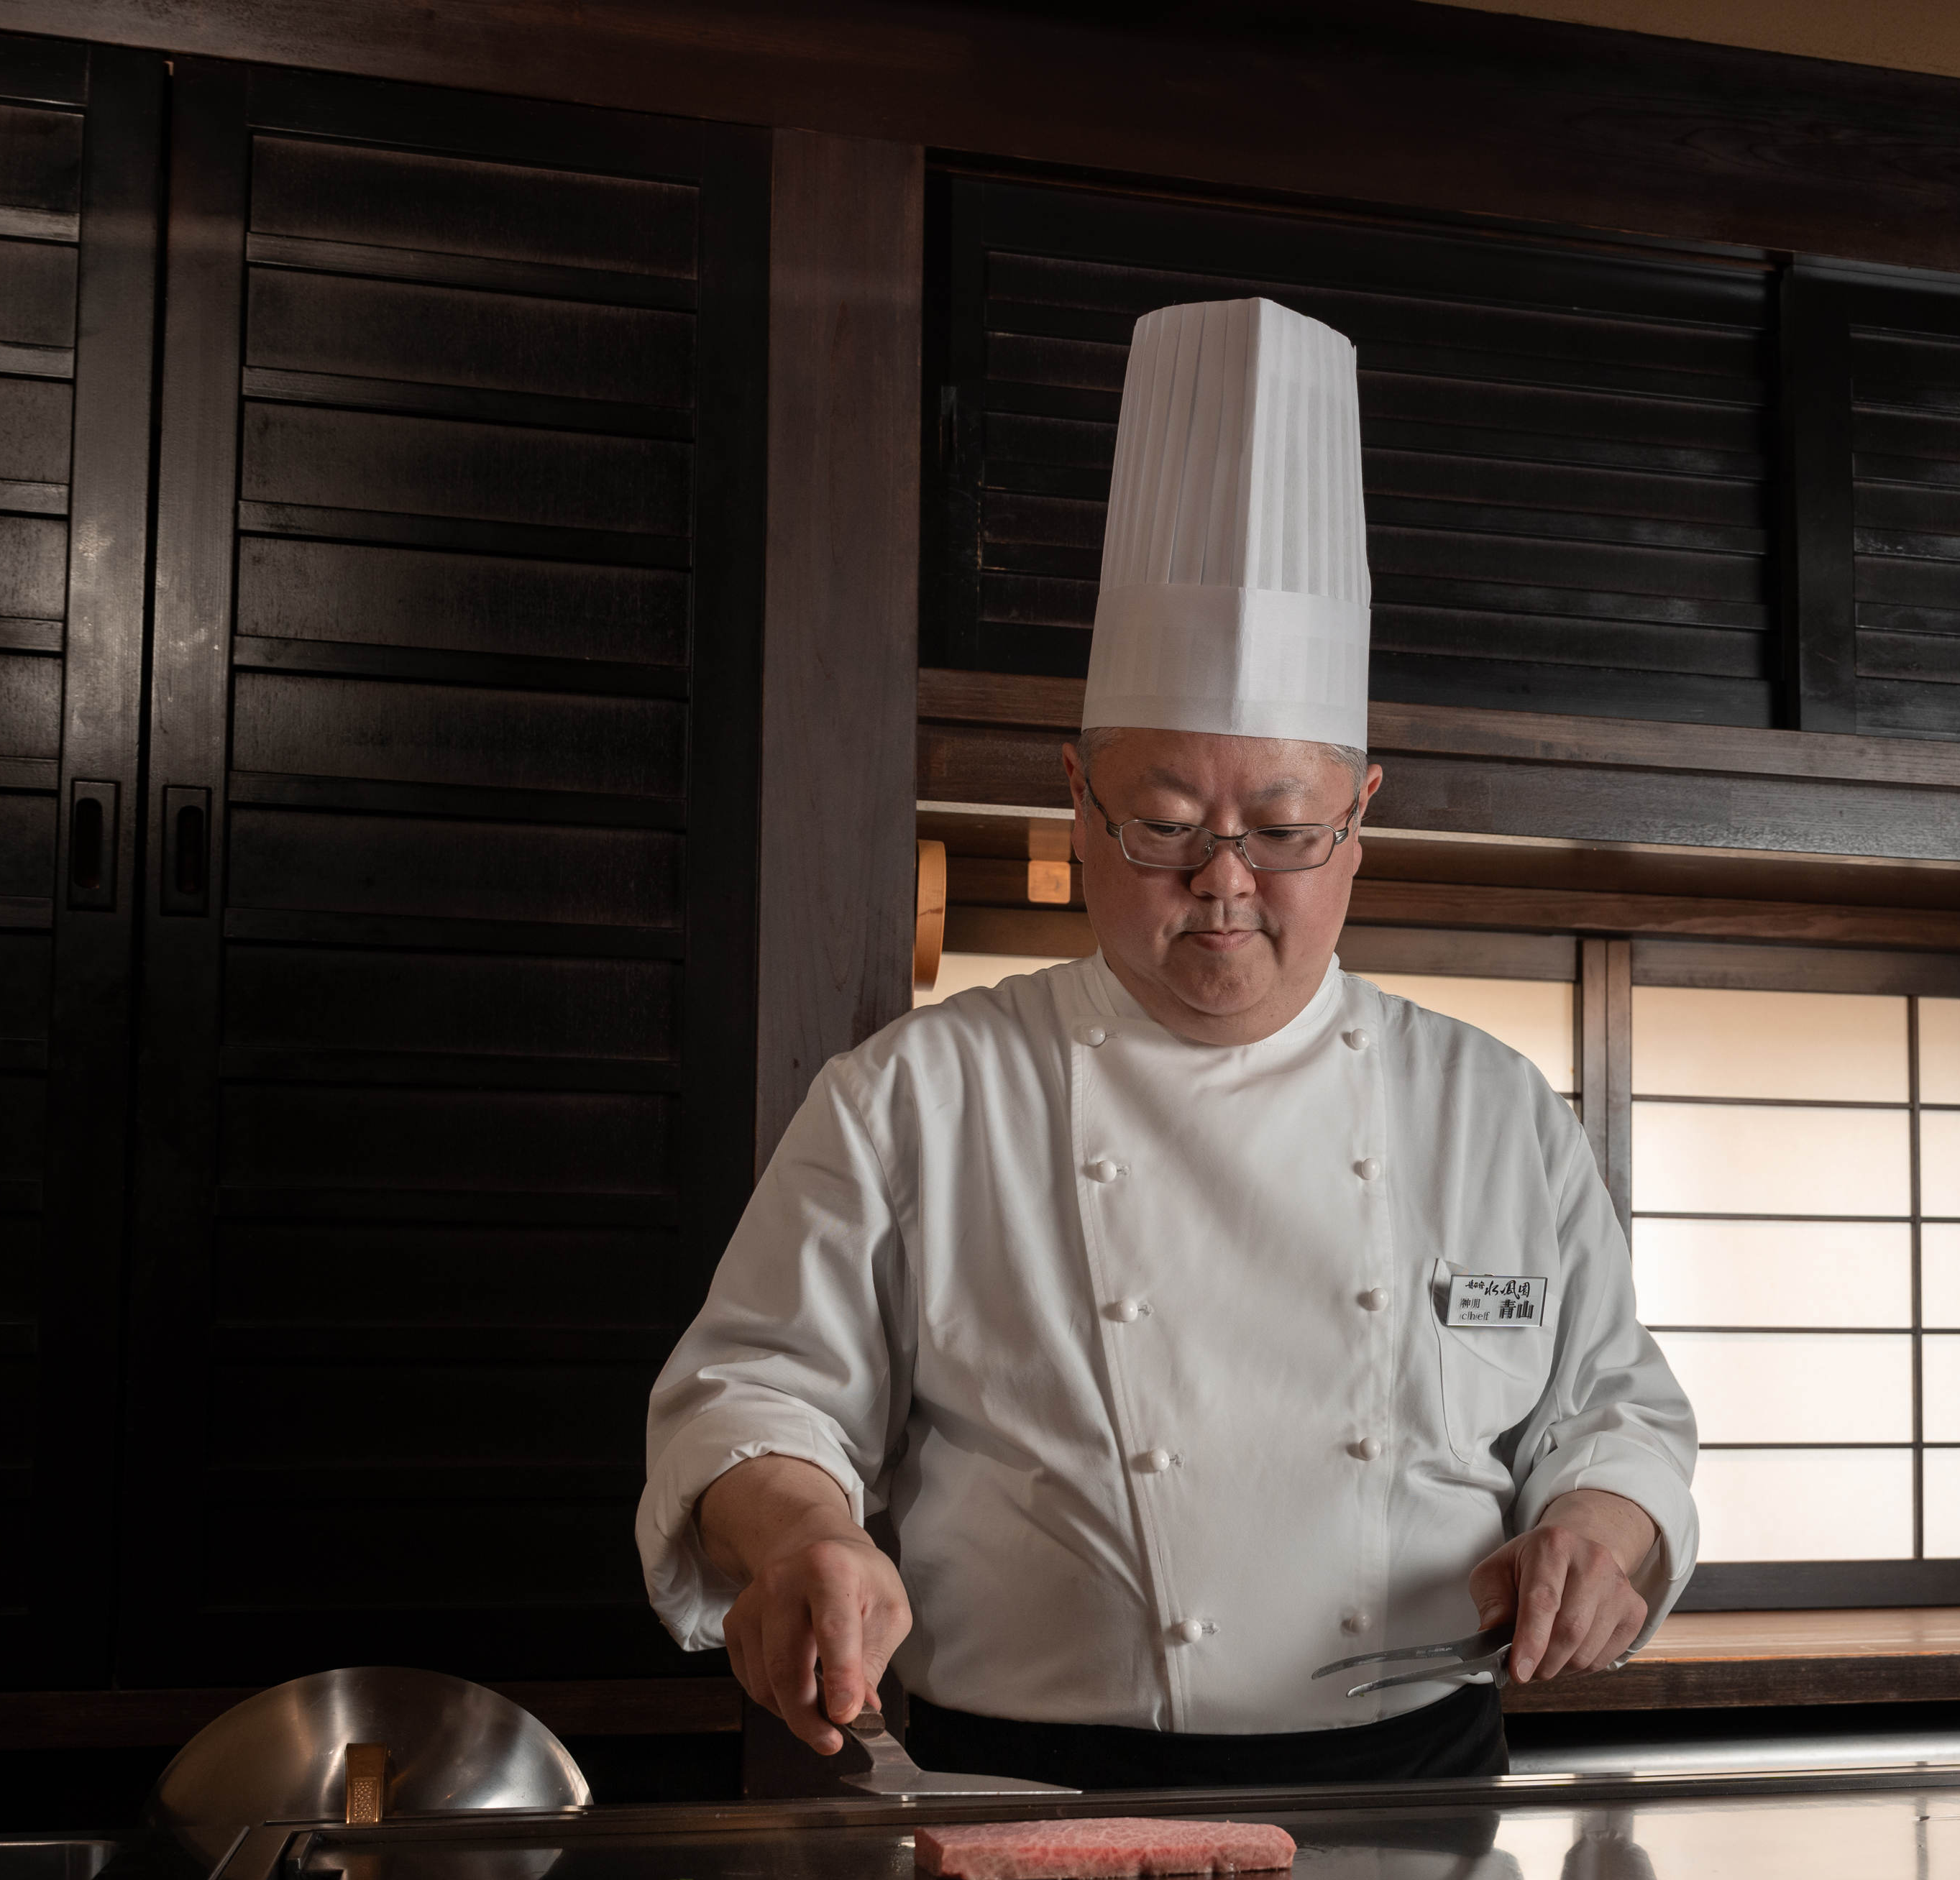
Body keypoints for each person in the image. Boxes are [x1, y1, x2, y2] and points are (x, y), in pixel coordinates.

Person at [636, 296, 1699, 1789]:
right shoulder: (917, 1093)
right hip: (1021, 1794)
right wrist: (805, 1532)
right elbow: (754, 1388)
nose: (1223, 883)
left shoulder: (1492, 1106)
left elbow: (1611, 1408)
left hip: (1417, 1790)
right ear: (1073, 801)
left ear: (1361, 819)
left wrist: (1600, 1529)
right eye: (1163, 825)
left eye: (1281, 831)